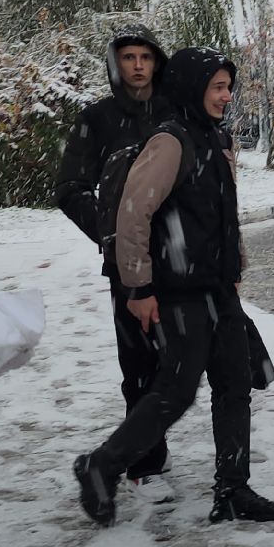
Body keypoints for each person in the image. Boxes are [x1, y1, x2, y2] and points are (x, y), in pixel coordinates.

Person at [72, 48, 274, 527]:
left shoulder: (214, 138)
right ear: (194, 88)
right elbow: (134, 213)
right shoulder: (171, 142)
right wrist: (139, 286)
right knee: (175, 390)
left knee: (235, 384)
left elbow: (223, 215)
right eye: (217, 87)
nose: (225, 96)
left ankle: (232, 490)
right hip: (179, 291)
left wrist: (235, 265)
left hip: (217, 289)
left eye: (228, 87)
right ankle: (102, 465)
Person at [52, 29, 177, 504]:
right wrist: (111, 232)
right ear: (115, 63)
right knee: (140, 362)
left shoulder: (173, 113)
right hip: (127, 266)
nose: (138, 66)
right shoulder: (97, 119)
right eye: (129, 57)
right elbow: (70, 187)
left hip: (179, 260)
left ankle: (147, 447)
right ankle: (144, 464)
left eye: (146, 56)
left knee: (177, 364)